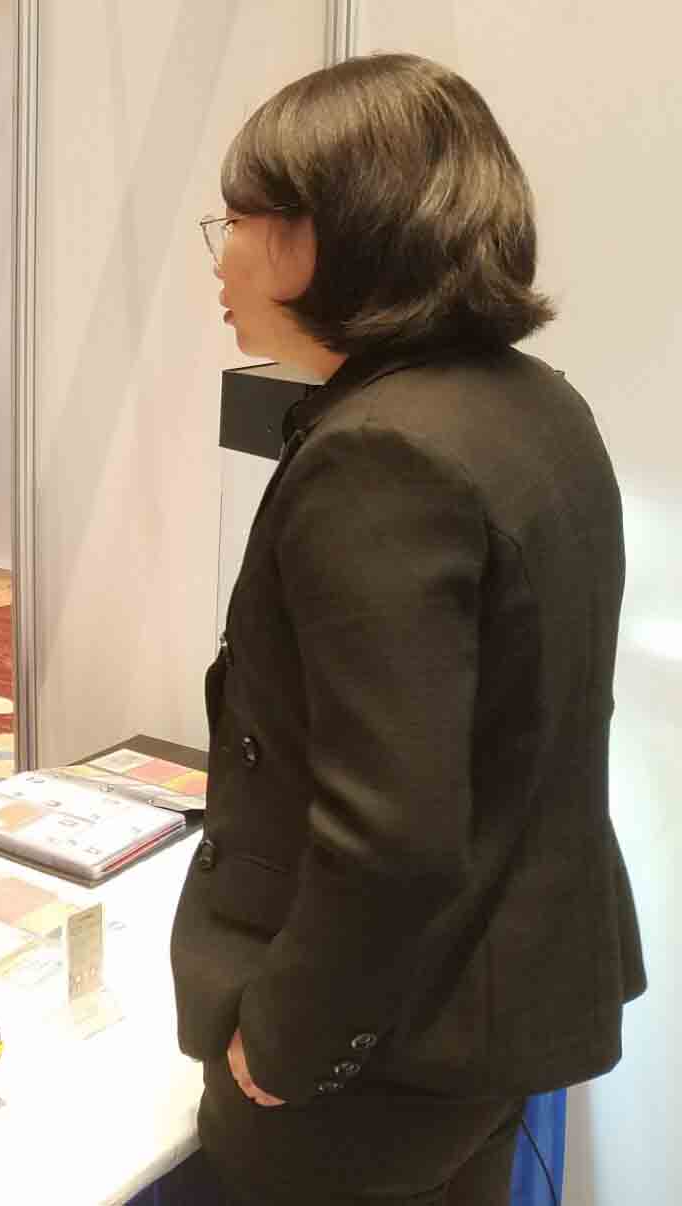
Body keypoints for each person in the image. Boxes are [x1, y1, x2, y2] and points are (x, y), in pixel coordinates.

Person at [174, 54, 644, 1205]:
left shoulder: (383, 453)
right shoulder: (536, 403)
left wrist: (288, 1041)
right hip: (490, 1007)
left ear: (316, 237)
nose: (221, 262)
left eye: (235, 223)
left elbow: (392, 835)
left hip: (382, 1055)